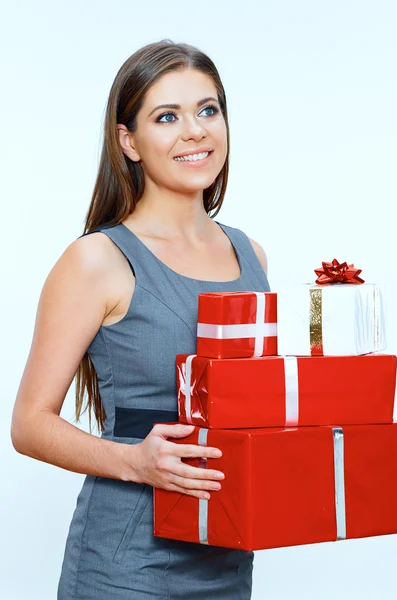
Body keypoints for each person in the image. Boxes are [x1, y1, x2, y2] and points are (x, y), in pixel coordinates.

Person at [11, 39, 271, 599]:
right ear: (128, 140)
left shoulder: (251, 255)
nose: (195, 130)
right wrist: (134, 461)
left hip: (228, 556)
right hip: (126, 566)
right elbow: (29, 425)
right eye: (166, 116)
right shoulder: (97, 260)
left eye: (208, 109)